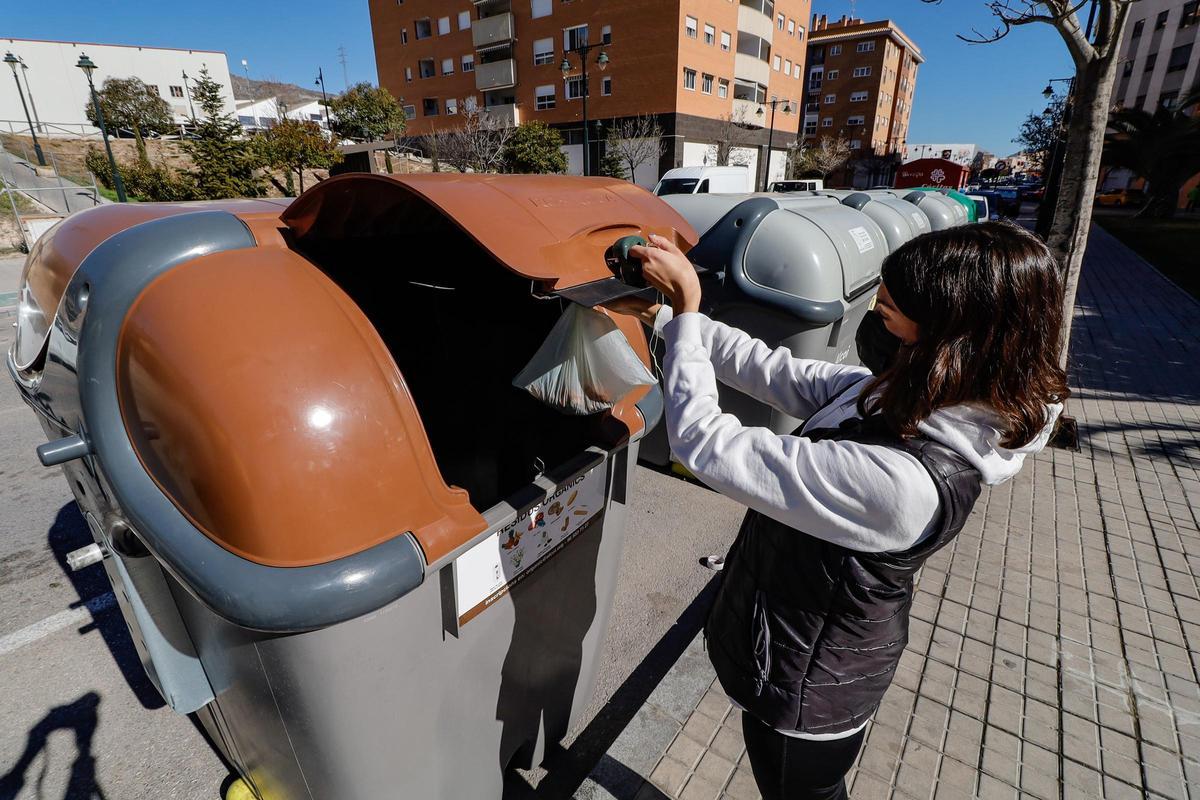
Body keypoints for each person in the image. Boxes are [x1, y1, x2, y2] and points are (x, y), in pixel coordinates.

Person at [607, 222, 1067, 800]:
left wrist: (691, 306)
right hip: (802, 647)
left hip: (808, 694)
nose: (875, 319)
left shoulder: (906, 482)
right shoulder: (915, 393)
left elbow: (706, 446)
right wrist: (674, 322)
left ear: (950, 337)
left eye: (891, 312)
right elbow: (777, 372)